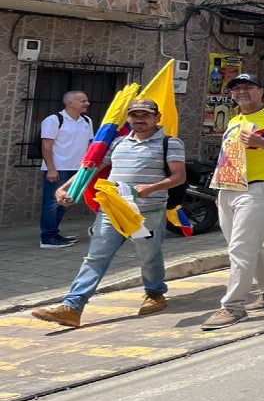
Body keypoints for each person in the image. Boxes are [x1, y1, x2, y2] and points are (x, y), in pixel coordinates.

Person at [31, 98, 186, 328]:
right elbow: (92, 167)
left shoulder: (169, 143)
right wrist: (66, 188)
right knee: (95, 258)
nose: (139, 119)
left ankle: (154, 293)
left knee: (148, 257)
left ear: (157, 118)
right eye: (134, 115)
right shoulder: (117, 143)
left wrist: (152, 188)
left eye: (145, 115)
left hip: (147, 213)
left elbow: (179, 177)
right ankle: (72, 307)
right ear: (128, 118)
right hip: (112, 210)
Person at [201, 74, 264, 330]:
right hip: (229, 191)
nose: (241, 92)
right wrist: (221, 193)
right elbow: (228, 159)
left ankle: (233, 306)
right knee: (247, 248)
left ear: (261, 91)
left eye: (248, 87)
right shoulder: (235, 119)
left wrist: (262, 143)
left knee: (240, 250)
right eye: (236, 89)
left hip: (259, 190)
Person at [38, 91, 94, 249]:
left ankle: (54, 233)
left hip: (78, 170)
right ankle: (48, 238)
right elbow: (46, 146)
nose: (87, 103)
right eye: (83, 101)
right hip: (59, 169)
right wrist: (51, 169)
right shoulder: (54, 120)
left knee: (67, 202)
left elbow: (89, 145)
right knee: (52, 203)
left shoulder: (86, 120)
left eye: (86, 100)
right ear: (70, 103)